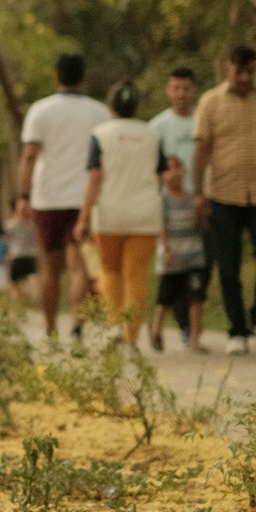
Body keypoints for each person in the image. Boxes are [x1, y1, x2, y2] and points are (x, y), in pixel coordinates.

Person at [17, 54, 111, 342]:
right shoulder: (100, 113)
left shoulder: (40, 111)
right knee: (79, 268)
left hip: (48, 199)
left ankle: (50, 329)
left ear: (56, 76)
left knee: (50, 268)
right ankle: (77, 326)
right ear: (83, 77)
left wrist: (23, 196)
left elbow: (30, 156)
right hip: (84, 200)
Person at [74, 81, 166, 345]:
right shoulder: (152, 134)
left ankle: (114, 327)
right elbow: (159, 176)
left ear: (110, 106)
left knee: (110, 272)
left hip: (110, 215)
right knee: (136, 276)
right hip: (145, 216)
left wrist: (83, 218)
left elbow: (95, 178)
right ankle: (131, 336)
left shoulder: (101, 134)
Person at [193, 44, 256, 356]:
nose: (245, 78)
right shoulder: (210, 102)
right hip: (222, 195)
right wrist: (198, 194)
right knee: (229, 266)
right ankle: (237, 329)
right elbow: (201, 151)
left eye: (251, 71)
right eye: (240, 72)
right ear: (227, 69)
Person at [148, 155, 208, 354]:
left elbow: (203, 226)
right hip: (172, 257)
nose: (173, 173)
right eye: (168, 169)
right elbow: (161, 227)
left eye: (177, 168)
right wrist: (165, 250)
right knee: (166, 297)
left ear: (184, 171)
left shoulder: (193, 198)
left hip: (194, 256)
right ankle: (155, 328)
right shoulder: (162, 201)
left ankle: (194, 341)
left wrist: (202, 212)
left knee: (196, 297)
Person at [3, 204, 39, 306]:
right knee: (30, 279)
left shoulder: (11, 224)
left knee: (14, 283)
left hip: (17, 256)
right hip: (30, 256)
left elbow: (6, 239)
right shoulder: (33, 224)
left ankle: (17, 303)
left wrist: (7, 254)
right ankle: (32, 301)